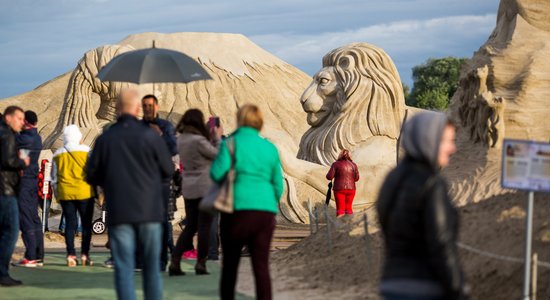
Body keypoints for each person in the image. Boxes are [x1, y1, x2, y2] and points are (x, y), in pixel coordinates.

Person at [86, 89, 173, 300]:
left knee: (124, 267)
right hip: (150, 210)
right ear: (137, 109)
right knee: (152, 269)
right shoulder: (151, 136)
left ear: (116, 109)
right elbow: (168, 170)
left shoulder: (105, 139)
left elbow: (90, 174)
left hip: (120, 211)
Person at [376, 112, 468, 300]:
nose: (453, 148)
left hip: (391, 282)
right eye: (446, 141)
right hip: (424, 286)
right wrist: (458, 289)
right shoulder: (432, 183)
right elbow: (440, 244)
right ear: (428, 139)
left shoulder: (392, 177)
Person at [211, 104, 283, 300]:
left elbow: (216, 173)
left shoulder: (230, 144)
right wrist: (269, 202)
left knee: (231, 266)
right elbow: (278, 184)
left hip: (236, 210)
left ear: (240, 120)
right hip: (264, 212)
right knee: (261, 267)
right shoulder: (270, 148)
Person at [169, 109, 222, 276]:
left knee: (190, 226)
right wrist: (218, 138)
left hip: (188, 186)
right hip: (205, 187)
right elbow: (217, 155)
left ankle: (175, 260)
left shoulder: (181, 140)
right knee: (205, 227)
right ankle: (201, 263)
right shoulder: (199, 140)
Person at [141, 94, 178, 272]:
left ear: (156, 106)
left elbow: (174, 148)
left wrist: (160, 136)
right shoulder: (137, 127)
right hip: (142, 180)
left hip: (162, 180)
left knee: (162, 221)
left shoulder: (165, 126)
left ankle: (162, 260)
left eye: (151, 105)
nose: (148, 108)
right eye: (145, 106)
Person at [51, 125, 95, 267]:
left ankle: (70, 255)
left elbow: (54, 178)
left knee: (70, 224)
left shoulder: (58, 153)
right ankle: (84, 255)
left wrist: (58, 195)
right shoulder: (87, 151)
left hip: (66, 193)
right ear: (78, 136)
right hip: (84, 192)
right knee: (86, 225)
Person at [0, 106, 30, 286]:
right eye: (19, 118)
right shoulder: (8, 136)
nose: (22, 122)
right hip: (6, 190)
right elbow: (8, 161)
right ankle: (2, 272)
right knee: (11, 231)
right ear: (8, 118)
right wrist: (23, 162)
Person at [13, 111, 44, 267]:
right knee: (33, 217)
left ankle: (30, 256)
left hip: (24, 181)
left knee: (25, 218)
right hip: (32, 180)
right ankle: (38, 254)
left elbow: (21, 161)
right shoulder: (37, 137)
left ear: (25, 122)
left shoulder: (24, 139)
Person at [326, 149, 359, 216]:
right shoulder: (354, 165)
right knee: (348, 208)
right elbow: (356, 178)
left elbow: (329, 177)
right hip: (351, 189)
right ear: (350, 156)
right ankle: (349, 224)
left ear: (340, 155)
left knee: (340, 209)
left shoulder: (336, 164)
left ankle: (339, 225)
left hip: (339, 189)